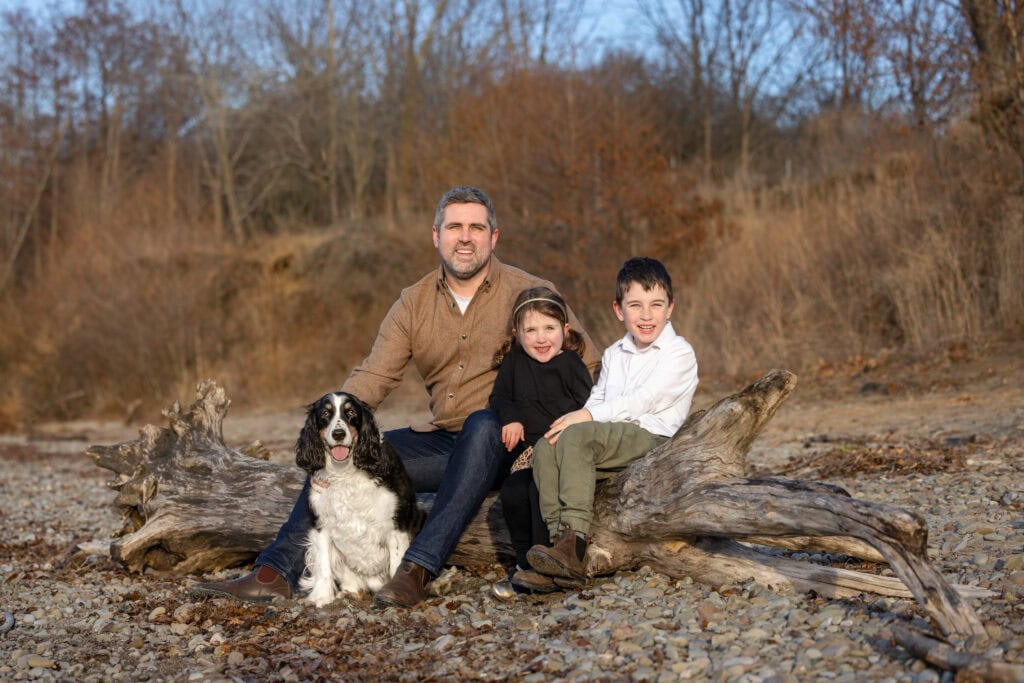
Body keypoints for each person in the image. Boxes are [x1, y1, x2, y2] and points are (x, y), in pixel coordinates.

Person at [193, 185, 600, 609]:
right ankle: (274, 571)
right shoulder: (413, 302)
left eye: (477, 227)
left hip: (511, 444)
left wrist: (563, 436)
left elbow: (589, 367)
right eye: (454, 227)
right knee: (343, 453)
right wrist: (334, 427)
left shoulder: (532, 293)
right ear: (435, 235)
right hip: (444, 442)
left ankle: (416, 569)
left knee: (483, 423)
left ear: (494, 237)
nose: (465, 237)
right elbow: (375, 375)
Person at [525, 257, 698, 584]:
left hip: (653, 437)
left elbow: (645, 400)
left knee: (576, 437)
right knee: (548, 446)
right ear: (619, 310)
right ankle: (559, 551)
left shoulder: (679, 352)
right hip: (612, 436)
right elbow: (600, 399)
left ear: (670, 308)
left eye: (656, 305)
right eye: (635, 305)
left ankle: (574, 541)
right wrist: (579, 419)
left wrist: (586, 418)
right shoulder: (615, 353)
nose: (646, 315)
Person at [487, 287, 594, 598]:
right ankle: (523, 565)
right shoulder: (515, 362)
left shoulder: (571, 365)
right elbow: (500, 397)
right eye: (530, 330)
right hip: (529, 453)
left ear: (565, 330)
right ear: (517, 334)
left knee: (538, 493)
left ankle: (546, 564)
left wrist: (574, 427)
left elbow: (589, 406)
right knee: (513, 492)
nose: (541, 338)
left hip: (561, 451)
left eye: (549, 328)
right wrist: (511, 418)